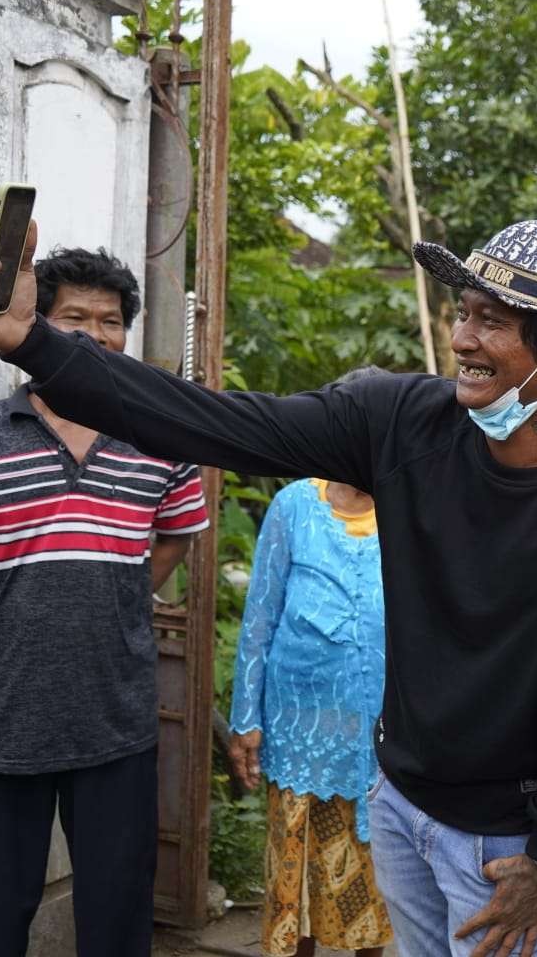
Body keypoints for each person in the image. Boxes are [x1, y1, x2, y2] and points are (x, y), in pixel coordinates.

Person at [0, 217, 537, 957]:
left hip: (501, 840)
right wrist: (33, 342)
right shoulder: (404, 420)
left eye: (494, 322)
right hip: (397, 798)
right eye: (463, 312)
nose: (462, 339)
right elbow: (209, 421)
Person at [0, 245, 209, 956]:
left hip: (117, 730)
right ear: (35, 323)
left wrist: (108, 590)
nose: (95, 334)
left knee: (117, 926)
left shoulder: (158, 438)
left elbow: (172, 539)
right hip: (0, 727)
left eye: (111, 321)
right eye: (75, 316)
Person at [226, 369, 396, 957]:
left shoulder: (412, 513)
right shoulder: (294, 506)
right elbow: (260, 621)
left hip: (379, 739)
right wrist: (245, 721)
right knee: (293, 882)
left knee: (371, 888)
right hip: (296, 732)